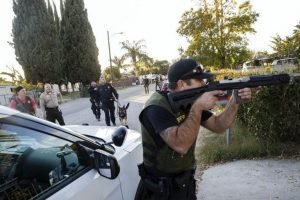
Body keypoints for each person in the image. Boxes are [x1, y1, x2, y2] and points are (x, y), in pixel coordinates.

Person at [135, 58, 252, 200]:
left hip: (184, 185)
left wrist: (235, 100)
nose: (204, 84)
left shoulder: (189, 102)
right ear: (181, 84)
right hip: (159, 191)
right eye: (199, 80)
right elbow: (181, 145)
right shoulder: (156, 107)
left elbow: (218, 125)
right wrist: (198, 107)